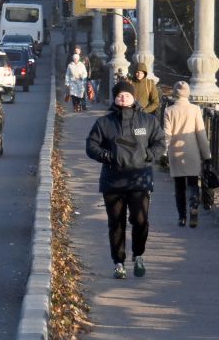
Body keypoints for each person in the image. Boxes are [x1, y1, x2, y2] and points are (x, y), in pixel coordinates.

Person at [86, 80, 167, 279]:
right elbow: (91, 146)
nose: (123, 98)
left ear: (134, 97)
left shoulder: (147, 121)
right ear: (115, 98)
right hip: (113, 181)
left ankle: (138, 255)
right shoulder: (104, 123)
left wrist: (148, 155)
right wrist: (108, 156)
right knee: (116, 223)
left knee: (140, 220)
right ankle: (118, 262)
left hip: (140, 179)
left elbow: (160, 142)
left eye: (127, 95)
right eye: (120, 95)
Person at [162, 81, 212, 228]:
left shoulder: (169, 110)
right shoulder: (195, 109)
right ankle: (194, 205)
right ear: (188, 93)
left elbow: (167, 134)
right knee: (192, 182)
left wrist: (164, 152)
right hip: (192, 152)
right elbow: (201, 134)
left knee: (179, 186)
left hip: (175, 153)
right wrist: (207, 155)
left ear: (175, 93)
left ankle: (182, 217)